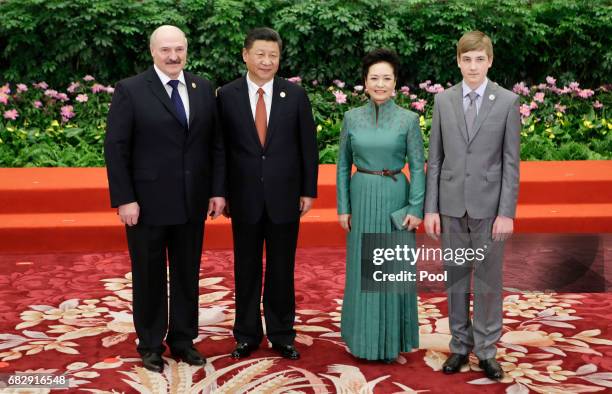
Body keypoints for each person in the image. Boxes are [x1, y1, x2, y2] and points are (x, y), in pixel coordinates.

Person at [104, 25, 225, 373]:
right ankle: (151, 344)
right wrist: (125, 198)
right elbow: (116, 147)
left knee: (188, 273)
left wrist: (217, 190)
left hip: (193, 201)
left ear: (187, 50)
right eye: (166, 50)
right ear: (152, 51)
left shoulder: (202, 88)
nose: (174, 57)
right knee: (149, 275)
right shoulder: (131, 90)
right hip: (146, 203)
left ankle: (184, 340)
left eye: (180, 49)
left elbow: (215, 144)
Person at [217, 27, 318, 360]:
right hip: (243, 197)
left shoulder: (295, 95)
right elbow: (219, 148)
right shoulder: (226, 95)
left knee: (281, 268)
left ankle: (281, 333)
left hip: (285, 197)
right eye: (260, 54)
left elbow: (308, 147)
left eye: (273, 55)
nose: (266, 61)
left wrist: (308, 190)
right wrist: (220, 191)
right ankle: (246, 334)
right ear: (246, 55)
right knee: (245, 268)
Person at [424, 31, 520, 380]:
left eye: (480, 59)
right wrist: (430, 208)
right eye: (467, 59)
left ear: (490, 61)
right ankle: (460, 346)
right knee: (456, 279)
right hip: (450, 206)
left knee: (488, 281)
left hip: (489, 208)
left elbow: (511, 162)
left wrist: (506, 212)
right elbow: (435, 159)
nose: (473, 65)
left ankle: (487, 350)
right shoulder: (443, 101)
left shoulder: (507, 102)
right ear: (458, 61)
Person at [336, 48, 425, 362]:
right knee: (363, 270)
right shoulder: (351, 117)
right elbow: (343, 165)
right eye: (374, 77)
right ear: (364, 81)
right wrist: (343, 207)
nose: (380, 84)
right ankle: (361, 340)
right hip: (361, 197)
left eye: (387, 78)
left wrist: (416, 209)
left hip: (395, 200)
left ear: (396, 82)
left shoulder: (409, 119)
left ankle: (391, 342)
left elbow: (417, 166)